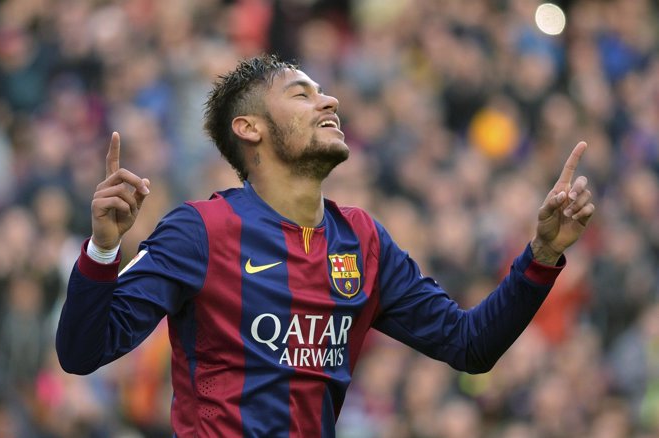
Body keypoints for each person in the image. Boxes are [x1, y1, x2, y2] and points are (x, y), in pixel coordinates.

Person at [55, 54, 595, 437]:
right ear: (249, 129)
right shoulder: (200, 231)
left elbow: (470, 345)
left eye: (323, 91)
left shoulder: (362, 240)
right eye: (302, 93)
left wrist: (542, 255)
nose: (329, 99)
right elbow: (82, 353)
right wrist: (104, 249)